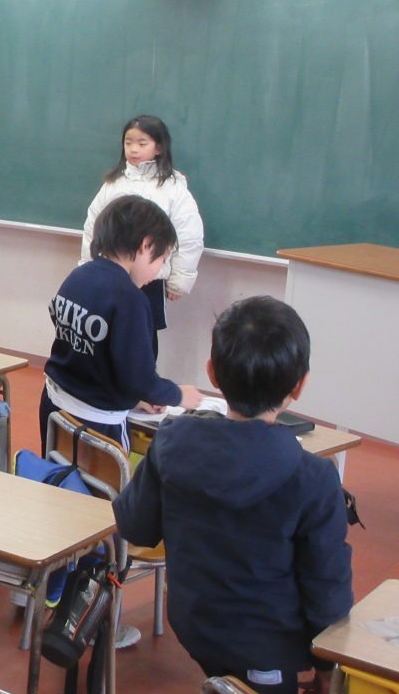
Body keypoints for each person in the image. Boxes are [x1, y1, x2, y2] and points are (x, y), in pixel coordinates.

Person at [114, 296, 353, 694]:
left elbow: (136, 526)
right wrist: (328, 669)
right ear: (299, 385)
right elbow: (327, 590)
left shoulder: (171, 442)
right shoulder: (314, 478)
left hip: (193, 623)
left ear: (212, 372)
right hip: (268, 648)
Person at [41, 195, 203, 456]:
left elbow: (87, 355)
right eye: (162, 260)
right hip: (97, 427)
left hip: (54, 410)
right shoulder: (131, 300)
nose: (159, 270)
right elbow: (141, 380)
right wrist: (179, 395)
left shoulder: (78, 276)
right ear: (146, 245)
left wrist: (133, 398)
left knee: (57, 474)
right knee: (104, 483)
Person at [81, 115, 204, 356]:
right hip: (110, 275)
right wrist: (87, 267)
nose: (133, 149)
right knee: (105, 332)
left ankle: (142, 377)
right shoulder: (113, 184)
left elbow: (189, 237)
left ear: (159, 147)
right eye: (128, 142)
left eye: (142, 143)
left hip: (150, 280)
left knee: (143, 337)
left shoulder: (173, 189)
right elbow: (92, 228)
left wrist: (180, 279)